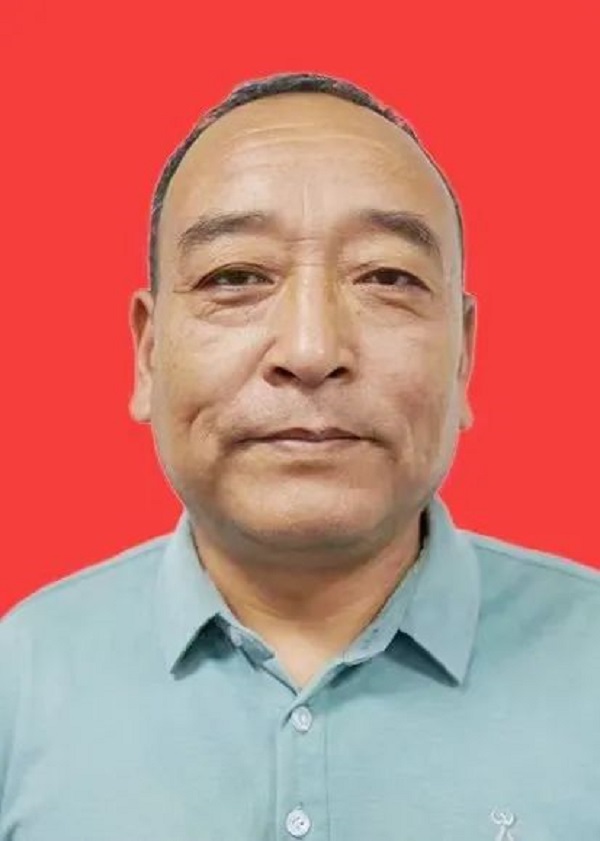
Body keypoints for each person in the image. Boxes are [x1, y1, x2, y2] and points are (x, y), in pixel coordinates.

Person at [1, 72, 598, 841]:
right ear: (148, 355)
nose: (312, 350)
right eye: (235, 276)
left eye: (387, 276)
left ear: (463, 357)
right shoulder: (20, 681)